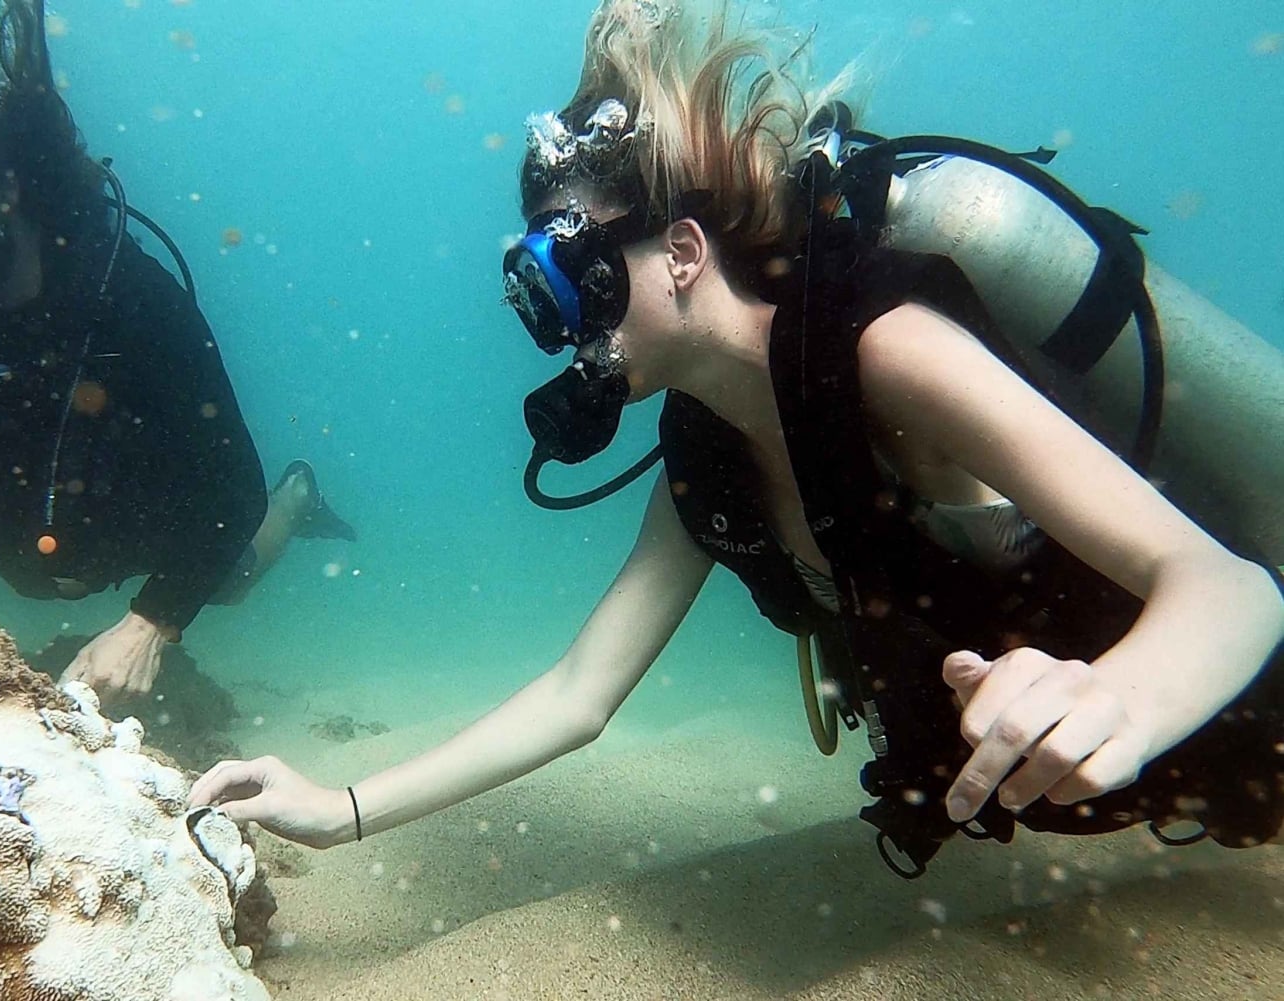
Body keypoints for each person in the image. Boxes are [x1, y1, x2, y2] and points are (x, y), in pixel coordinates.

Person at [191, 0, 1284, 874]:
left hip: (1226, 718)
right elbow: (580, 694)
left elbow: (1230, 588)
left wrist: (1119, 698)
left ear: (680, 248)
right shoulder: (701, 458)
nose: (565, 331)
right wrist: (338, 808)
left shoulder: (882, 351)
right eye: (543, 302)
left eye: (575, 279)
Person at [0, 0, 355, 697]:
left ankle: (295, 499)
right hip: (13, 543)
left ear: (2, 190)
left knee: (226, 582)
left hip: (135, 524)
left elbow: (231, 487)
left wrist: (152, 621)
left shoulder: (127, 296)